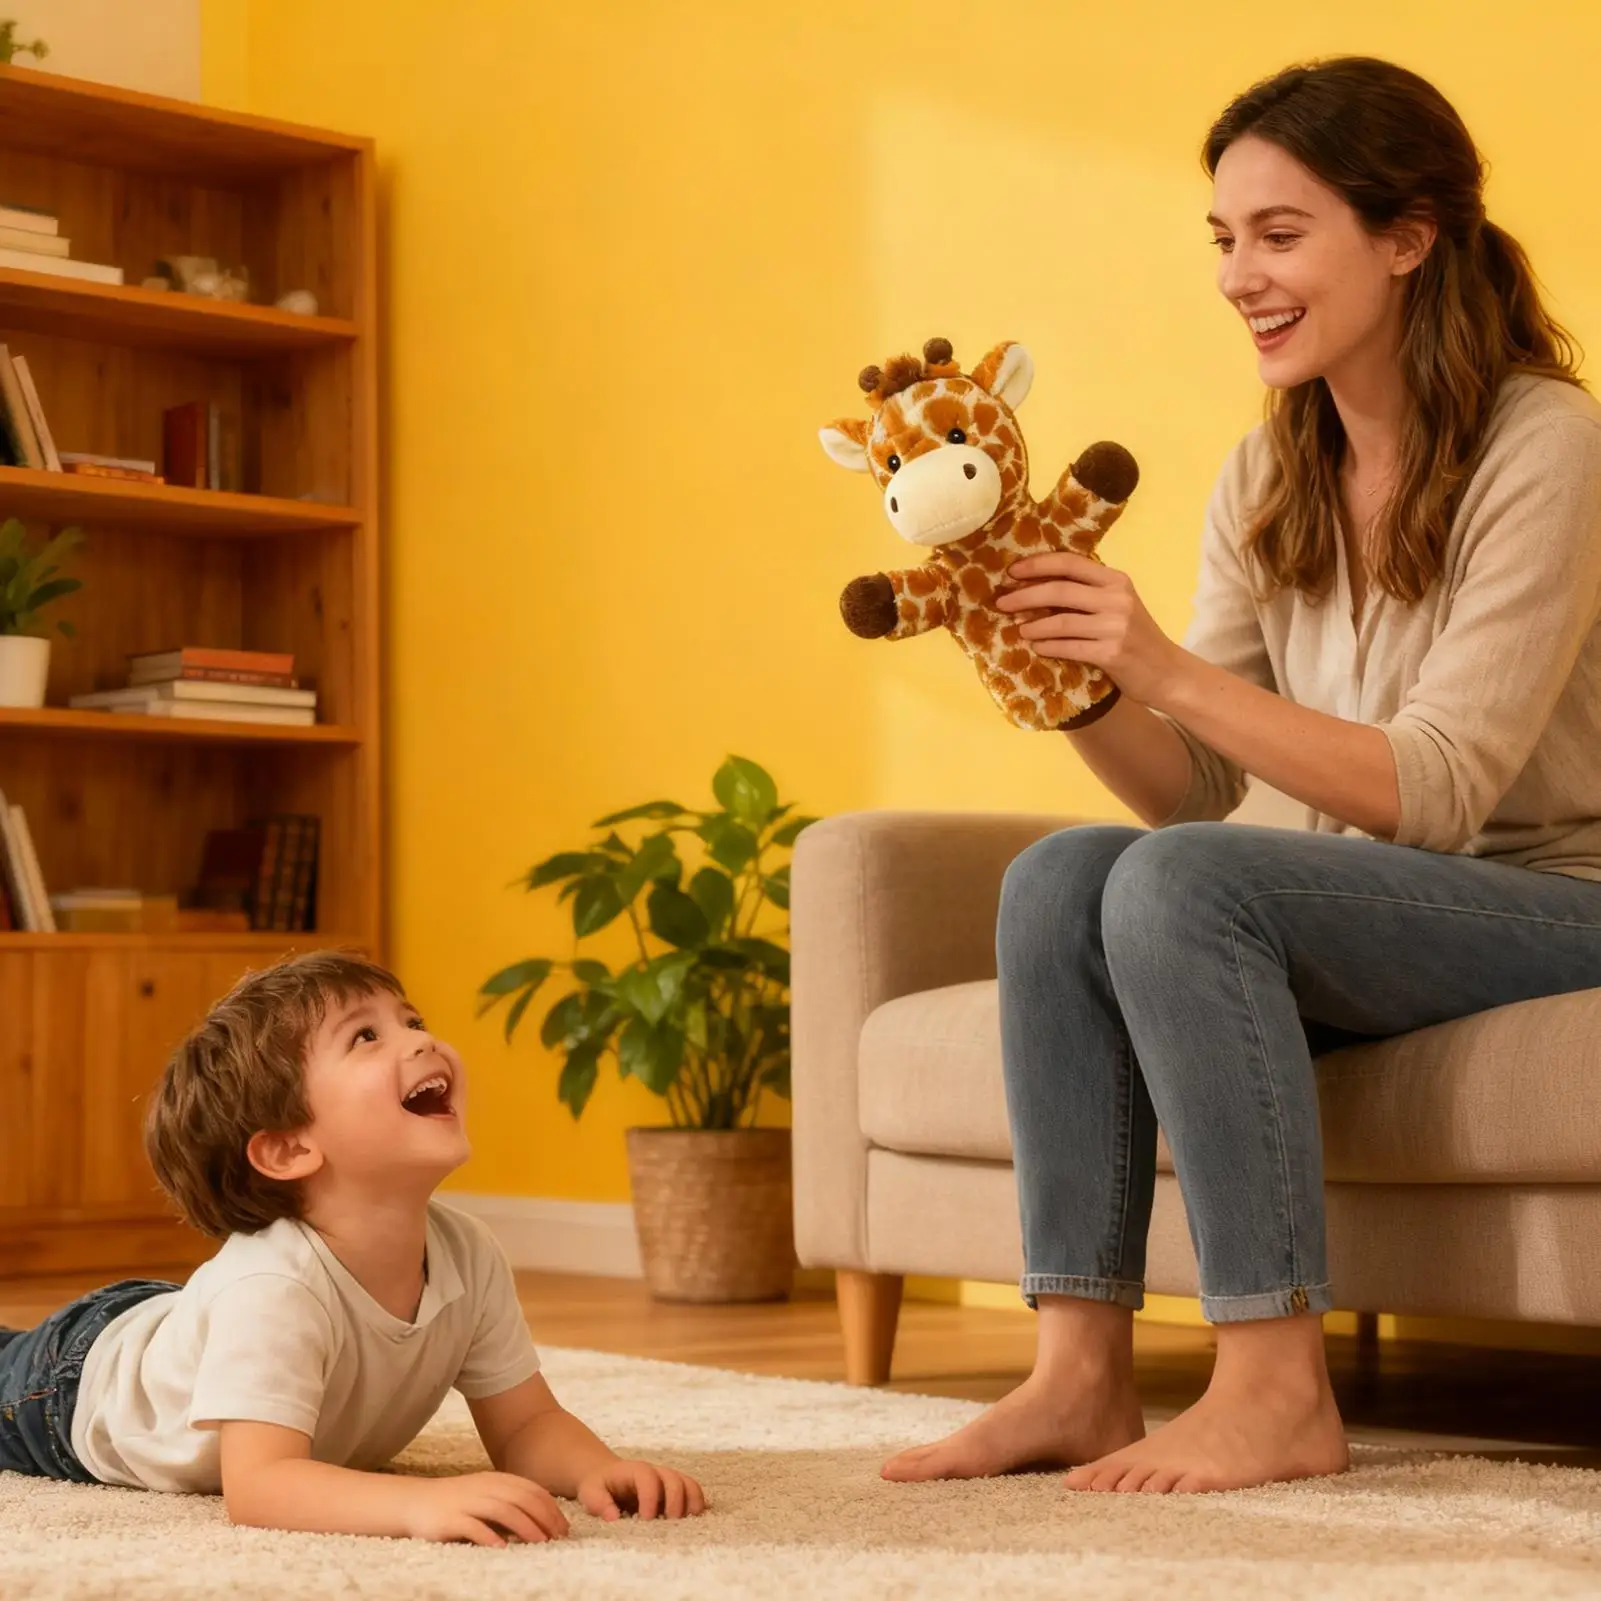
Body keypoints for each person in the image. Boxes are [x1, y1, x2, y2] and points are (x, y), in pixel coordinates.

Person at [883, 55, 1601, 1495]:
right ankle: (1076, 1376)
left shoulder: (1549, 443)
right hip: (1376, 897)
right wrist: (1074, 672)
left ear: (1407, 237)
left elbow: (1441, 787)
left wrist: (1158, 663)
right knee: (1063, 876)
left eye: (1279, 234)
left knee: (1181, 885)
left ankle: (1275, 1386)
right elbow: (1196, 794)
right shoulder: (1267, 475)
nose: (1238, 275)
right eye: (1223, 240)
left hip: (1550, 897)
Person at [0, 950, 706, 1542]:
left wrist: (594, 1468)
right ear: (287, 1147)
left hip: (176, 1320)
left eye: (411, 1020)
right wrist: (415, 1504)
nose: (420, 1039)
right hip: (71, 1385)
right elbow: (261, 1485)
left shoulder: (468, 1250)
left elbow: (526, 1421)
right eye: (365, 1036)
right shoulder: (275, 1286)